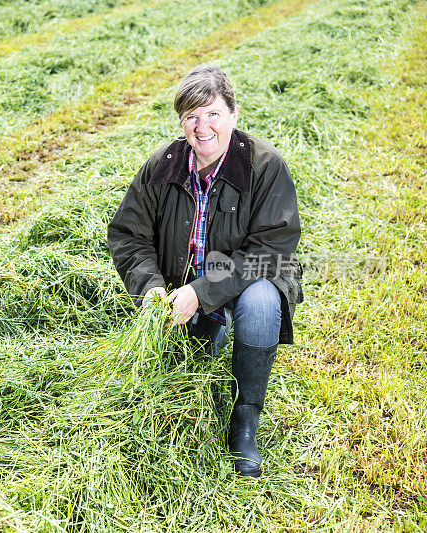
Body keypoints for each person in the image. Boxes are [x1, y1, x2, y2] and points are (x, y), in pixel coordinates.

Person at [107, 64, 303, 477]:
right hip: (181, 292)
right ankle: (210, 330)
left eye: (213, 113)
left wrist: (203, 290)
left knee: (264, 301)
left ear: (233, 114)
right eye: (191, 116)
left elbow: (270, 250)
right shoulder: (162, 166)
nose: (202, 127)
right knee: (183, 367)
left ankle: (245, 419)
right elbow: (128, 234)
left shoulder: (264, 167)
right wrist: (150, 288)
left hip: (241, 285)